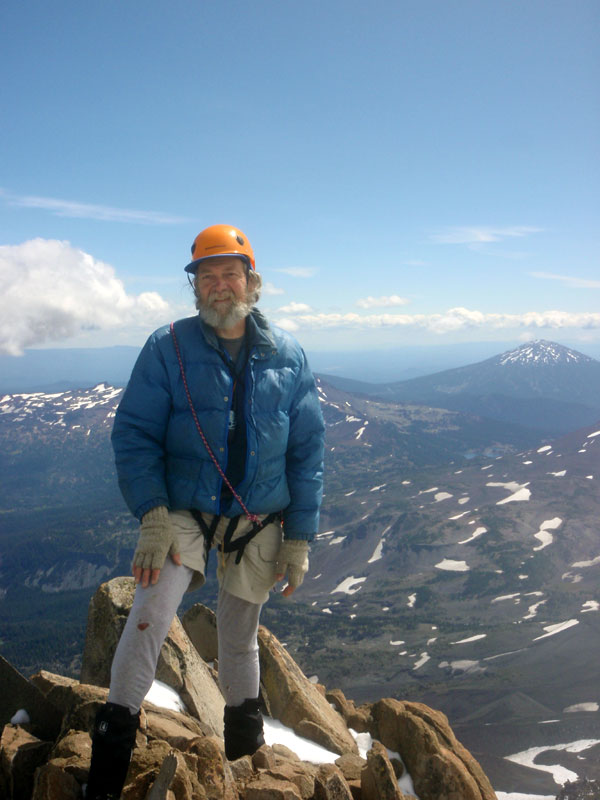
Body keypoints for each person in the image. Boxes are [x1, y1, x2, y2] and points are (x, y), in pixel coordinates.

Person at [85, 224, 325, 800]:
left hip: (258, 518)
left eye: (230, 274)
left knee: (240, 637)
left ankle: (244, 759)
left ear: (252, 282)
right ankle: (107, 770)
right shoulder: (166, 347)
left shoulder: (286, 355)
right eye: (207, 276)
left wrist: (300, 538)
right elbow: (136, 434)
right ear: (195, 288)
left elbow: (307, 451)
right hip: (181, 513)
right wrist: (152, 513)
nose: (220, 286)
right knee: (149, 617)